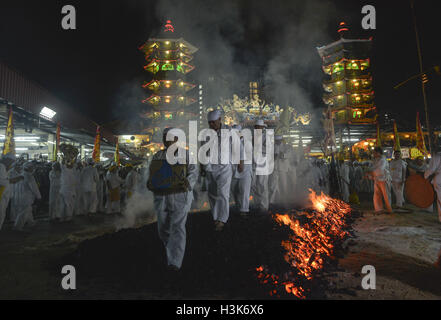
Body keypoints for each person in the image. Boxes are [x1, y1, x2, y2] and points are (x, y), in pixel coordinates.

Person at [147, 128, 198, 271]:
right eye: (165, 138)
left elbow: (193, 172)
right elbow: (152, 174)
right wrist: (149, 182)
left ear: (176, 139)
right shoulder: (158, 156)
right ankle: (170, 252)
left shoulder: (186, 154)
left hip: (180, 196)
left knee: (177, 227)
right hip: (162, 197)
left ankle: (175, 263)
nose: (167, 140)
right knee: (163, 228)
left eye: (170, 138)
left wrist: (188, 181)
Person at [203, 110, 233, 231]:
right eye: (209, 123)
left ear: (220, 120)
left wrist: (240, 162)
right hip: (210, 167)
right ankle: (215, 217)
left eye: (213, 122)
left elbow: (237, 147)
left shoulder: (230, 132)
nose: (211, 125)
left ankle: (222, 219)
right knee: (212, 194)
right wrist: (202, 166)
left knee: (223, 194)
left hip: (225, 168)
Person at [230, 125, 252, 216]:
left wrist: (241, 164)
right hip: (234, 170)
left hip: (245, 170)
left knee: (244, 191)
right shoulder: (230, 143)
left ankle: (244, 210)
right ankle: (238, 206)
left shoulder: (247, 143)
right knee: (234, 190)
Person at [14, 162, 41, 230]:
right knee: (23, 213)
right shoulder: (29, 176)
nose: (33, 169)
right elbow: (34, 188)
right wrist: (39, 196)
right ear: (28, 168)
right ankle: (17, 227)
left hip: (19, 197)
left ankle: (31, 223)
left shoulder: (21, 174)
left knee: (28, 210)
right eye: (32, 167)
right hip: (26, 198)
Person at [269, 135, 295, 207]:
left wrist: (282, 154)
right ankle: (271, 201)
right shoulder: (272, 147)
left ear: (281, 140)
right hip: (274, 169)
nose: (277, 142)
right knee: (273, 185)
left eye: (278, 141)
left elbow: (288, 155)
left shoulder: (286, 147)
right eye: (276, 141)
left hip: (283, 169)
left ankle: (284, 200)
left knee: (283, 185)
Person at [366, 147, 392, 213]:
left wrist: (371, 173)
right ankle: (378, 209)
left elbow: (380, 170)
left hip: (384, 179)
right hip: (377, 179)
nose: (373, 154)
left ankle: (389, 209)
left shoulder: (383, 160)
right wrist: (369, 173)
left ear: (378, 153)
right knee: (377, 194)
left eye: (374, 153)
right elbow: (372, 168)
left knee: (386, 195)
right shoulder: (375, 160)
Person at [251, 119, 270, 213]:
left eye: (259, 127)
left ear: (263, 128)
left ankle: (264, 206)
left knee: (262, 185)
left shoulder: (266, 137)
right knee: (253, 185)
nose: (257, 129)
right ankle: (256, 204)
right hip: (254, 164)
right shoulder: (252, 137)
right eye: (256, 127)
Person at [424, 146, 441, 222]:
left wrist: (425, 176)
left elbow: (431, 169)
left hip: (439, 179)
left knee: (440, 199)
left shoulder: (437, 156)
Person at [0, 153, 16, 230]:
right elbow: (2, 181)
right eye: (10, 161)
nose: (10, 163)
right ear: (6, 159)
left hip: (3, 196)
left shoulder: (4, 168)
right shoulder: (1, 167)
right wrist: (10, 181)